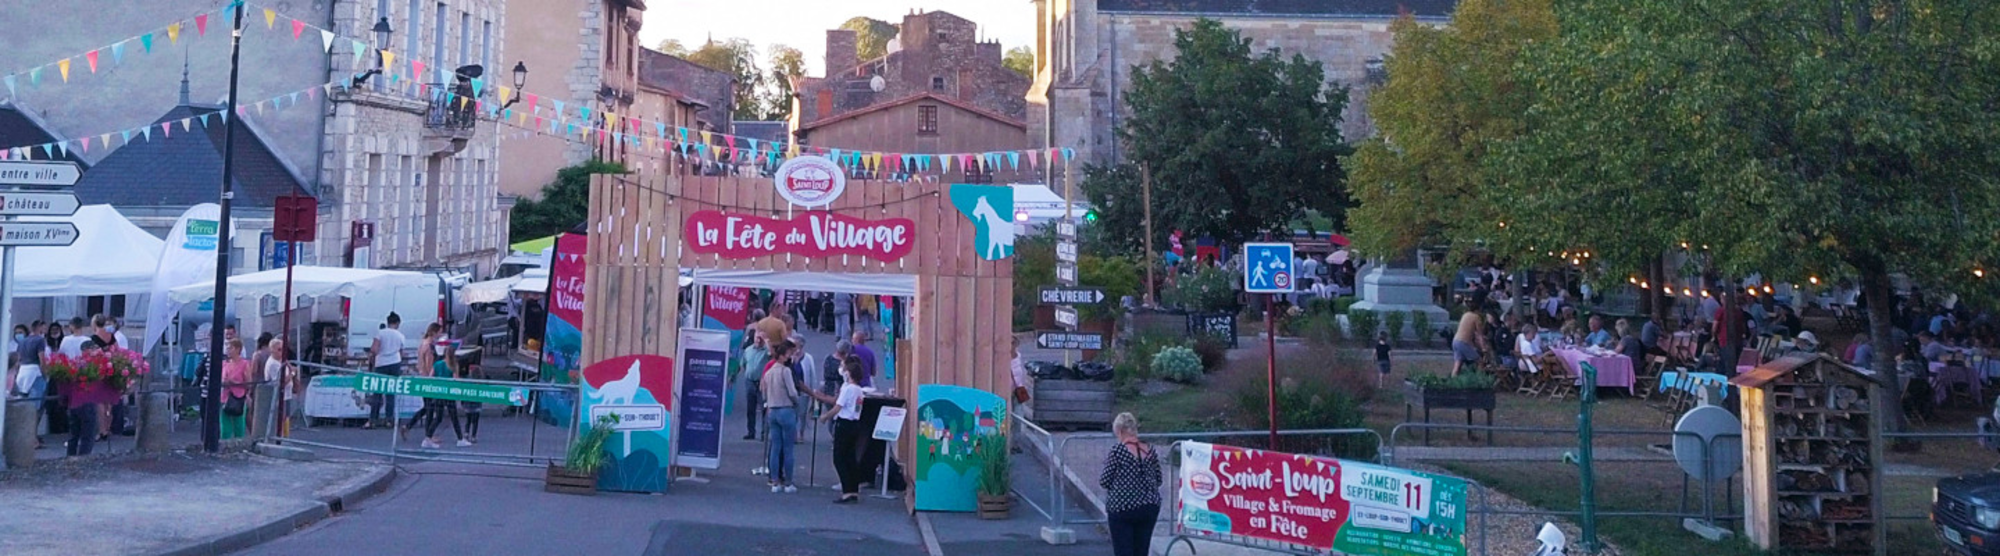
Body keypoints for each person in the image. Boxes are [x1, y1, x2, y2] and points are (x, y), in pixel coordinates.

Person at [1101, 412, 1162, 556]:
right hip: (1149, 506)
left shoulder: (1118, 451)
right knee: (1141, 550)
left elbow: (1104, 480)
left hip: (1123, 507)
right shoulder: (1150, 450)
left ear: (1120, 431)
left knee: (1123, 550)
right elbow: (1159, 479)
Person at [820, 355, 868, 504]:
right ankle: (854, 489)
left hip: (844, 423)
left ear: (849, 374)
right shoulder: (859, 390)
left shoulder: (848, 390)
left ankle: (847, 490)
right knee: (850, 457)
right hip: (855, 423)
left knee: (839, 458)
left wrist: (825, 417)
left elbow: (838, 407)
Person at [761, 340, 802, 493]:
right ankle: (789, 482)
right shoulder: (785, 371)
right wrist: (797, 401)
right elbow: (792, 392)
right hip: (786, 409)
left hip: (772, 409)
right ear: (784, 356)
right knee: (788, 448)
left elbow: (764, 393)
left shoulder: (769, 372)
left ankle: (775, 481)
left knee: (775, 447)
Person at [419, 342, 468, 449]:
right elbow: (456, 379)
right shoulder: (454, 366)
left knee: (439, 417)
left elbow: (431, 377)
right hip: (449, 394)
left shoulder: (437, 364)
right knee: (454, 417)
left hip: (438, 393)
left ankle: (427, 437)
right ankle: (460, 438)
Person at [402, 323, 444, 440]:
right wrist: (433, 377)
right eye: (439, 332)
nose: (440, 335)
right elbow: (429, 364)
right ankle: (427, 435)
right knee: (430, 409)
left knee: (427, 407)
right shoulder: (430, 346)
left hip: (421, 377)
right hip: (428, 379)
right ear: (434, 332)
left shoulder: (422, 344)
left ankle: (410, 427)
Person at [365, 312, 407, 429]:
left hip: (381, 363)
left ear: (388, 322)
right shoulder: (400, 335)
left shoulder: (380, 333)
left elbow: (374, 349)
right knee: (390, 393)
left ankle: (373, 419)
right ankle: (389, 420)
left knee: (377, 392)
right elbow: (401, 352)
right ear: (397, 323)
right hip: (395, 363)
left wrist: (372, 359)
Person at [264, 337, 299, 434]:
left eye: (283, 349)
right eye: (279, 349)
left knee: (286, 417)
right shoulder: (273, 364)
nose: (282, 352)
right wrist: (292, 373)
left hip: (286, 395)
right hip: (279, 397)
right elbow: (280, 382)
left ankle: (285, 436)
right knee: (281, 418)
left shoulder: (281, 361)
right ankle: (280, 437)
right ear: (272, 350)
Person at [740, 330, 770, 440]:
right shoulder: (748, 350)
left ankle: (764, 433)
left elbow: (772, 354)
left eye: (760, 338)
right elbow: (743, 364)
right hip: (750, 381)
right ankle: (751, 431)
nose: (758, 340)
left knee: (764, 408)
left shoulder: (766, 351)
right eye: (757, 337)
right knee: (750, 408)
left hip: (762, 382)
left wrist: (766, 341)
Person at [220, 339, 251, 440]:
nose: (228, 351)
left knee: (239, 425)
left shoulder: (245, 364)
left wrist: (234, 383)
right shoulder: (224, 363)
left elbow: (249, 383)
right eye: (227, 348)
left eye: (231, 348)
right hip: (225, 397)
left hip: (239, 397)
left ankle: (239, 444)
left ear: (238, 349)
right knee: (225, 426)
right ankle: (224, 445)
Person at [1451, 311, 1485, 375]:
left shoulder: (1465, 315)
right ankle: (1480, 380)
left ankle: (1452, 381)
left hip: (1455, 341)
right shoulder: (1476, 317)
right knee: (1480, 362)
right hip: (1464, 342)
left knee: (1458, 365)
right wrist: (1483, 348)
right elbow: (1480, 335)